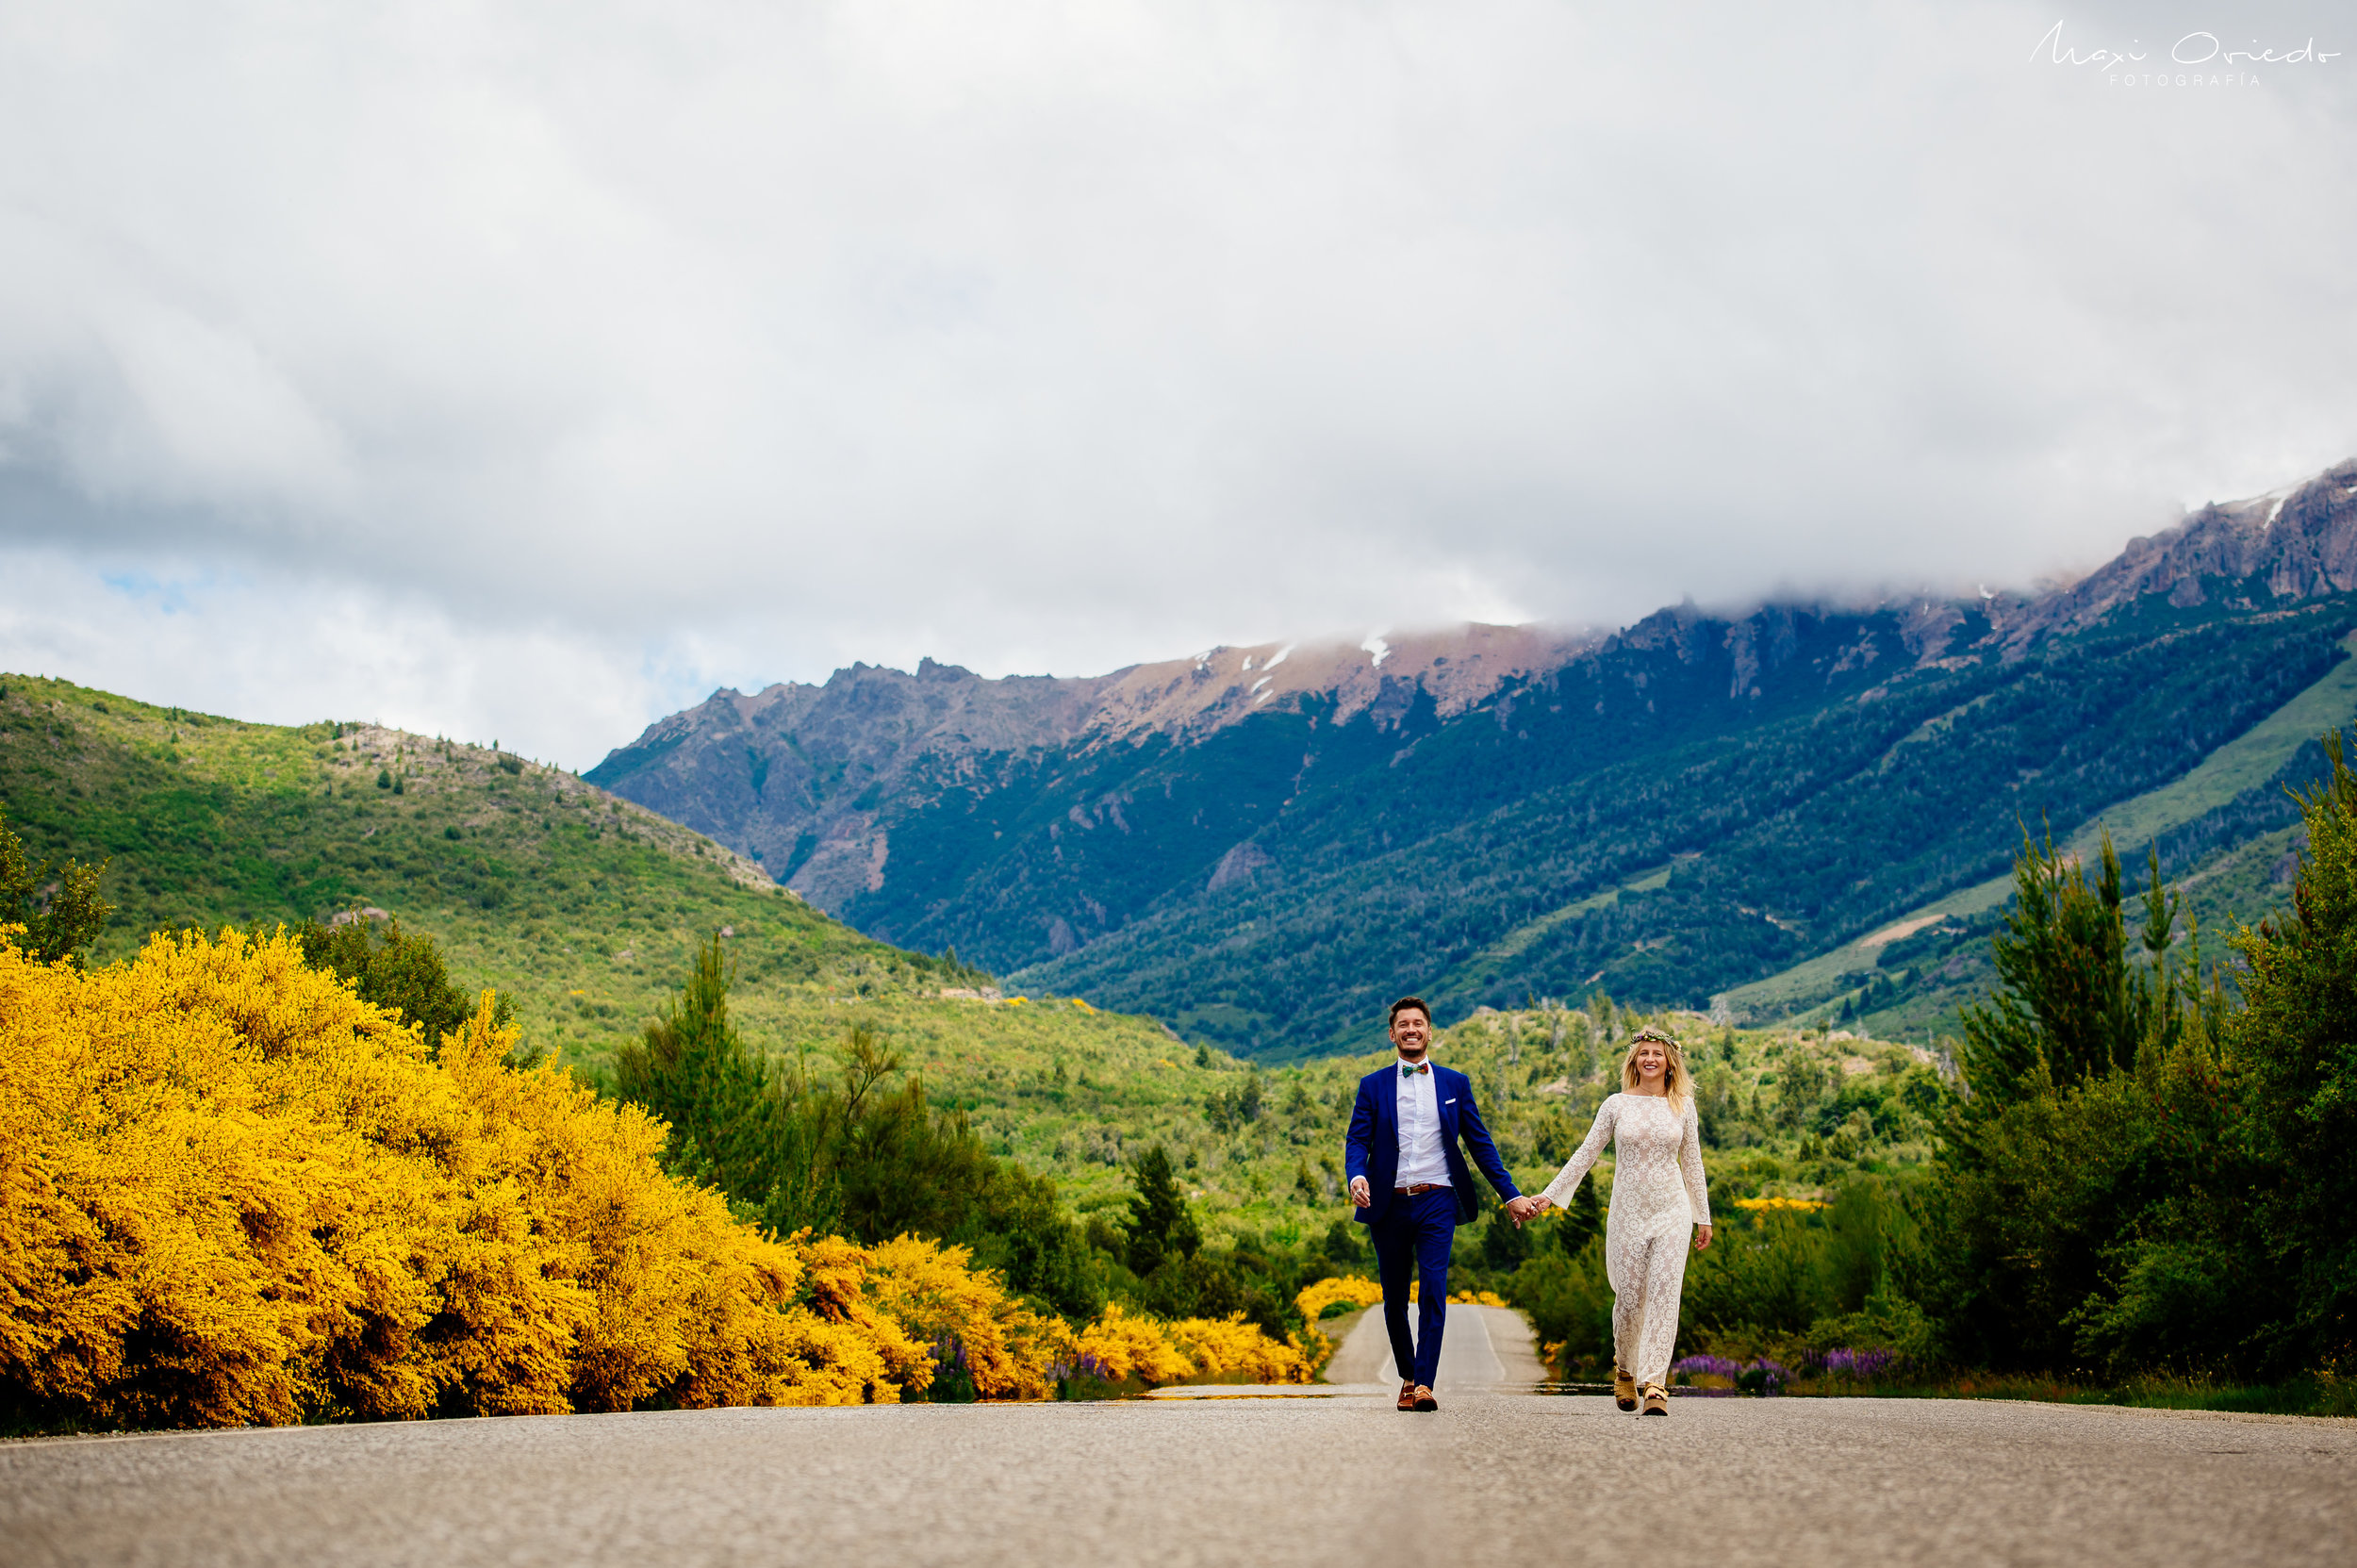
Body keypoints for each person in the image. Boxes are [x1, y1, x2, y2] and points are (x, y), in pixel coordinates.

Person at [1345, 996, 1541, 1411]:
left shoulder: (1455, 1084)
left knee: (1433, 1289)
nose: (1411, 1030)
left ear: (1430, 1031)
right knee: (1394, 1299)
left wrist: (1510, 1194)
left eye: (1418, 1023)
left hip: (1438, 1200)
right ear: (1393, 1033)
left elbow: (1480, 1143)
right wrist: (1356, 1175)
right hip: (1389, 1203)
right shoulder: (1373, 1085)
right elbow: (1357, 1139)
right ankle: (1409, 1374)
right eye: (1404, 1025)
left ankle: (1425, 1384)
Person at [1527, 1026, 1712, 1416]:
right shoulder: (1615, 1105)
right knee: (1629, 1298)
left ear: (1669, 1062)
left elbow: (1692, 1163)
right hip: (1627, 1211)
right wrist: (1547, 1195)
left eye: (1657, 1054)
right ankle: (1625, 1370)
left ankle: (1656, 1384)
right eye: (1643, 1053)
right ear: (1634, 1061)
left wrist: (1703, 1217)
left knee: (1665, 1293)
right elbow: (1585, 1154)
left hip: (1671, 1210)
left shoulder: (1684, 1107)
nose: (1650, 1059)